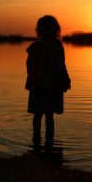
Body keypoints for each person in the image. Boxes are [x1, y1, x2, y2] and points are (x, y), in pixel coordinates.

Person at [25, 15, 71, 148]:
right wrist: (34, 81)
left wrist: (65, 79)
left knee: (49, 115)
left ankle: (48, 140)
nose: (49, 32)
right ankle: (37, 141)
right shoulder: (37, 46)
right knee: (38, 114)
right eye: (46, 29)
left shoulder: (58, 45)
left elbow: (62, 65)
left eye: (51, 29)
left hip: (54, 85)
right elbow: (30, 66)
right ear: (41, 30)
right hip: (40, 85)